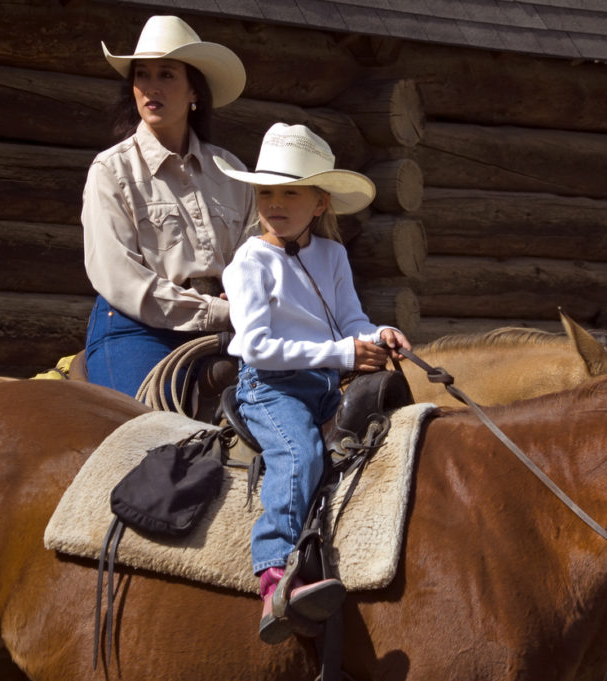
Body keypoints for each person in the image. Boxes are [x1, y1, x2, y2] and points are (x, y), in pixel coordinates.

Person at [218, 123, 411, 643]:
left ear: (320, 202)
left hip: (325, 386)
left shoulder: (332, 256)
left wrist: (378, 334)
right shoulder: (249, 263)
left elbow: (350, 319)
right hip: (270, 387)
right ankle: (274, 573)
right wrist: (343, 352)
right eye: (266, 192)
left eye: (290, 191)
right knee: (300, 455)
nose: (275, 203)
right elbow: (255, 346)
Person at [82, 15, 256, 397]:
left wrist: (248, 300)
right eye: (142, 75)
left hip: (233, 326)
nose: (150, 88)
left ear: (195, 91)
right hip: (138, 328)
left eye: (166, 75)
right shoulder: (112, 170)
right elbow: (118, 276)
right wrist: (216, 312)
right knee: (150, 440)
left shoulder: (233, 173)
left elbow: (258, 258)